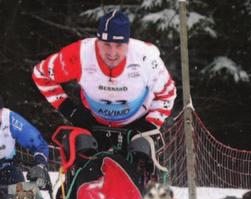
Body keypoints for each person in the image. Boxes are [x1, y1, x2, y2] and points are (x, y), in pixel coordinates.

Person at [32, 9, 176, 156]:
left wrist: (150, 124)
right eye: (106, 44)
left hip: (137, 124)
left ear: (128, 43)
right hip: (92, 122)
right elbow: (41, 74)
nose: (112, 53)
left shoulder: (146, 58)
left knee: (139, 159)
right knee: (82, 161)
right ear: (98, 41)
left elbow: (168, 94)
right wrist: (70, 110)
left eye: (119, 45)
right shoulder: (79, 54)